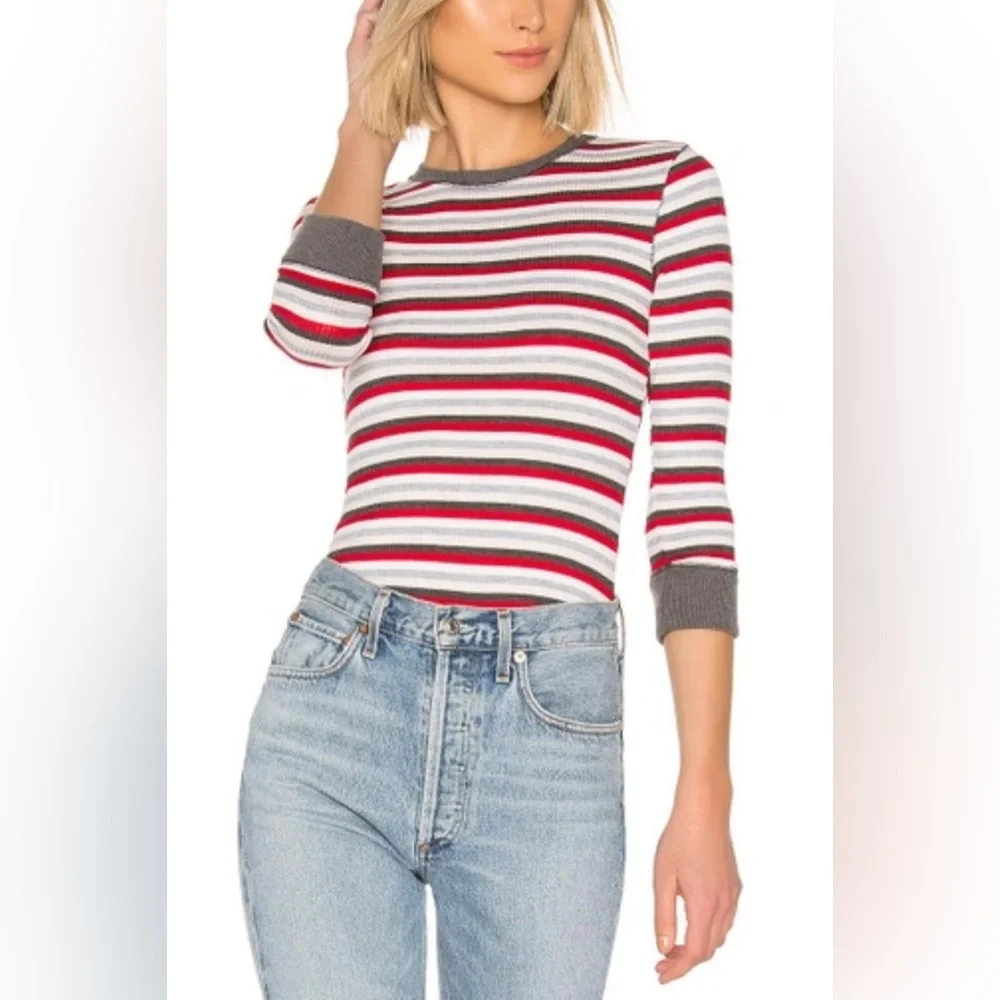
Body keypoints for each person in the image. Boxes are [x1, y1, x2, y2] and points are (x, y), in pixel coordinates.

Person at [238, 1, 742, 996]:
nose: (530, 15)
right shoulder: (359, 219)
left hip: (548, 721)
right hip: (339, 701)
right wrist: (366, 126)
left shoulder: (659, 189)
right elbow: (309, 330)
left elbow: (690, 505)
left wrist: (705, 789)